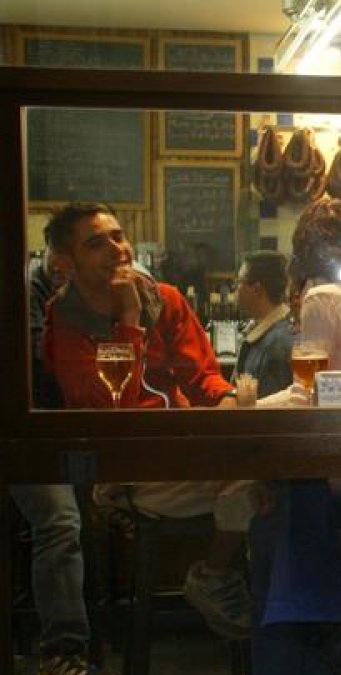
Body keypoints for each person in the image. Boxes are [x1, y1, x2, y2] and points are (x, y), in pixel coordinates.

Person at [40, 202, 254, 643]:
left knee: (276, 460)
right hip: (128, 471)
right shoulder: (64, 323)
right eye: (96, 243)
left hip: (187, 452)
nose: (116, 249)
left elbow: (202, 377)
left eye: (118, 237)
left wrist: (228, 400)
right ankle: (220, 579)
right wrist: (130, 320)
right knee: (260, 477)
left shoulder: (167, 298)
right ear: (65, 262)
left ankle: (273, 611)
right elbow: (109, 410)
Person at [251, 197, 341, 675]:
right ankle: (334, 635)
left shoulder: (320, 298)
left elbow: (306, 394)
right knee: (289, 499)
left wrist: (241, 411)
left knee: (279, 505)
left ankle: (314, 639)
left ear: (302, 250)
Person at [13, 232, 104, 675]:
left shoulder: (91, 294)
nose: (64, 263)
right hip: (25, 436)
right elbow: (42, 361)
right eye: (59, 254)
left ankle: (107, 621)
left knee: (106, 504)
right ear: (46, 252)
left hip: (70, 432)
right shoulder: (30, 290)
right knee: (61, 520)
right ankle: (64, 649)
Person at [232, 250, 294, 398]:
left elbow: (268, 415)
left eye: (239, 282)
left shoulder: (278, 343)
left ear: (257, 290)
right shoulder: (264, 333)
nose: (235, 288)